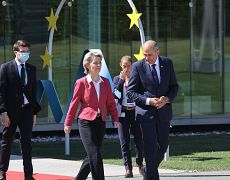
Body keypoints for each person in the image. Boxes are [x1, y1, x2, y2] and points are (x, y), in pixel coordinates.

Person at [127, 40, 179, 180]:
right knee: (150, 149)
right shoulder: (138, 66)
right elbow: (130, 92)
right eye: (144, 54)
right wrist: (149, 101)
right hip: (146, 115)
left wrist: (166, 99)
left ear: (158, 51)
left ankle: (148, 172)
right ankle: (151, 175)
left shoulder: (167, 63)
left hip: (164, 113)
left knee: (162, 147)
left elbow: (174, 87)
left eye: (149, 54)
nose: (146, 57)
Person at [64, 51, 119, 180]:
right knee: (94, 153)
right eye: (95, 62)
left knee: (92, 155)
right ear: (87, 65)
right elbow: (74, 104)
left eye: (100, 63)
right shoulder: (81, 82)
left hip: (100, 122)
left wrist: (115, 118)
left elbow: (111, 103)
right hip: (85, 122)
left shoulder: (105, 82)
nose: (98, 65)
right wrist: (68, 122)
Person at [0, 40, 41, 180]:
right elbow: (1, 92)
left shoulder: (31, 69)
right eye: (22, 52)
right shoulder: (6, 68)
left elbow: (33, 92)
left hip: (27, 110)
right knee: (7, 141)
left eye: (27, 51)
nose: (25, 54)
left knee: (27, 143)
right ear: (15, 52)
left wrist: (34, 112)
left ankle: (28, 174)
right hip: (11, 112)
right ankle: (2, 172)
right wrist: (3, 112)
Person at [113, 55, 144, 178]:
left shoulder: (137, 78)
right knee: (124, 142)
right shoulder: (117, 79)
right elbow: (115, 95)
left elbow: (141, 94)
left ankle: (140, 163)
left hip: (135, 112)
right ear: (121, 66)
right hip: (123, 114)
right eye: (124, 66)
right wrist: (121, 81)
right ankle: (128, 169)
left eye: (128, 66)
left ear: (132, 66)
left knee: (139, 141)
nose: (126, 69)